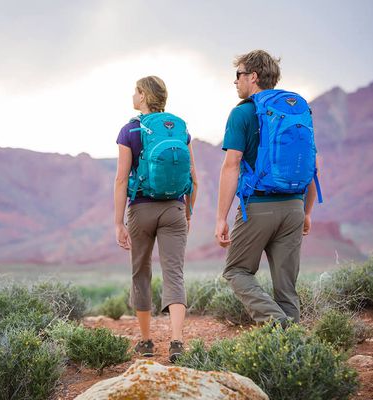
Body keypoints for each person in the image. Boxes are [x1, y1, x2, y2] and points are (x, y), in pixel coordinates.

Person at [214, 50, 317, 327]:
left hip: (259, 207)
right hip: (295, 205)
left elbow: (231, 165)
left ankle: (276, 323)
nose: (235, 81)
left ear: (254, 77)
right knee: (286, 287)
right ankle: (293, 355)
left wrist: (221, 217)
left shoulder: (243, 113)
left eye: (239, 75)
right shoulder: (297, 110)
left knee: (236, 270)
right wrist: (306, 212)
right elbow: (311, 163)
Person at [114, 76, 198, 363]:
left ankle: (147, 342)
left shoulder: (130, 131)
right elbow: (194, 180)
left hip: (140, 209)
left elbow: (120, 180)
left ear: (143, 96)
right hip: (174, 208)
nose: (132, 95)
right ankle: (176, 341)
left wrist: (117, 222)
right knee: (174, 273)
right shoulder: (179, 129)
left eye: (135, 91)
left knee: (141, 272)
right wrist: (188, 210)